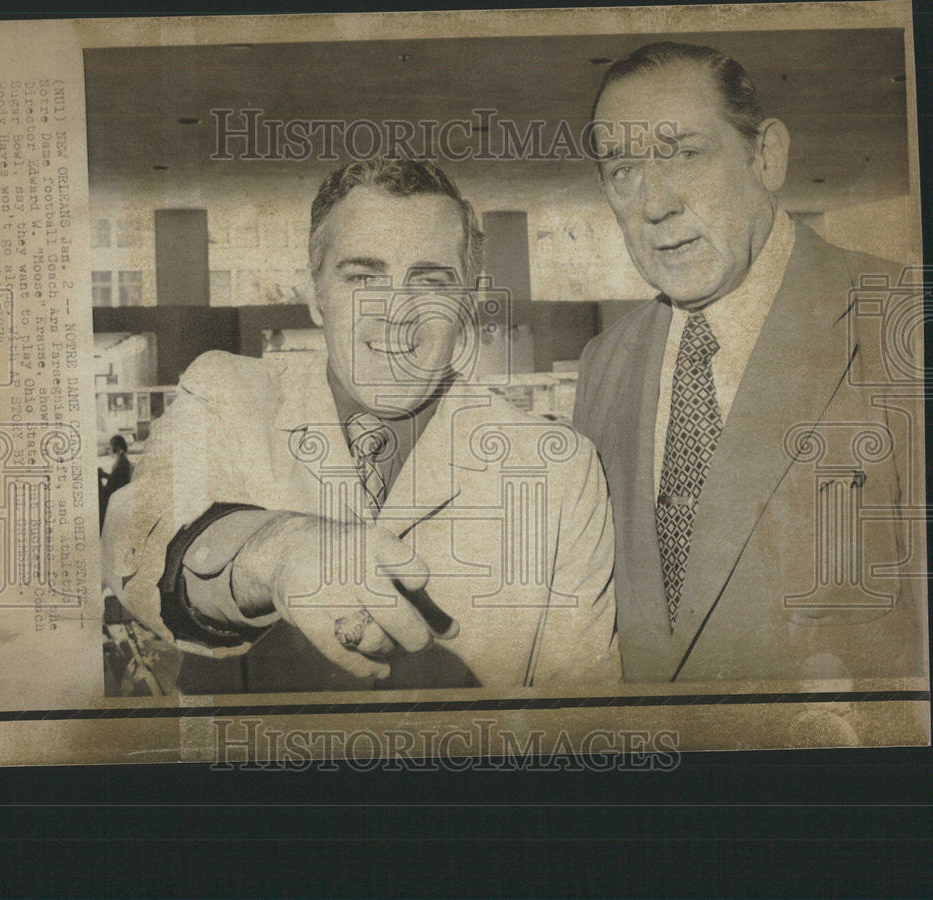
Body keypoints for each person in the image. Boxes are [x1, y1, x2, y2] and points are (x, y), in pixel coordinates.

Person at [102, 157, 618, 692]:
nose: (395, 311)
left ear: (467, 301)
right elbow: (139, 540)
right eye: (363, 276)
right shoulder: (228, 397)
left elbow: (579, 712)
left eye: (430, 280)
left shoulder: (557, 468)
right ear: (315, 295)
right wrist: (275, 551)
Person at [574, 42, 925, 683]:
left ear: (766, 156)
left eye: (684, 152)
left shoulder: (903, 323)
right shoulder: (606, 362)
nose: (656, 204)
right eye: (623, 170)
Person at [98, 435, 132, 531]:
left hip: (116, 497)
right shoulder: (121, 459)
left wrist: (103, 474)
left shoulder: (122, 461)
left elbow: (116, 481)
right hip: (116, 494)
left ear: (117, 446)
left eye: (112, 445)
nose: (110, 448)